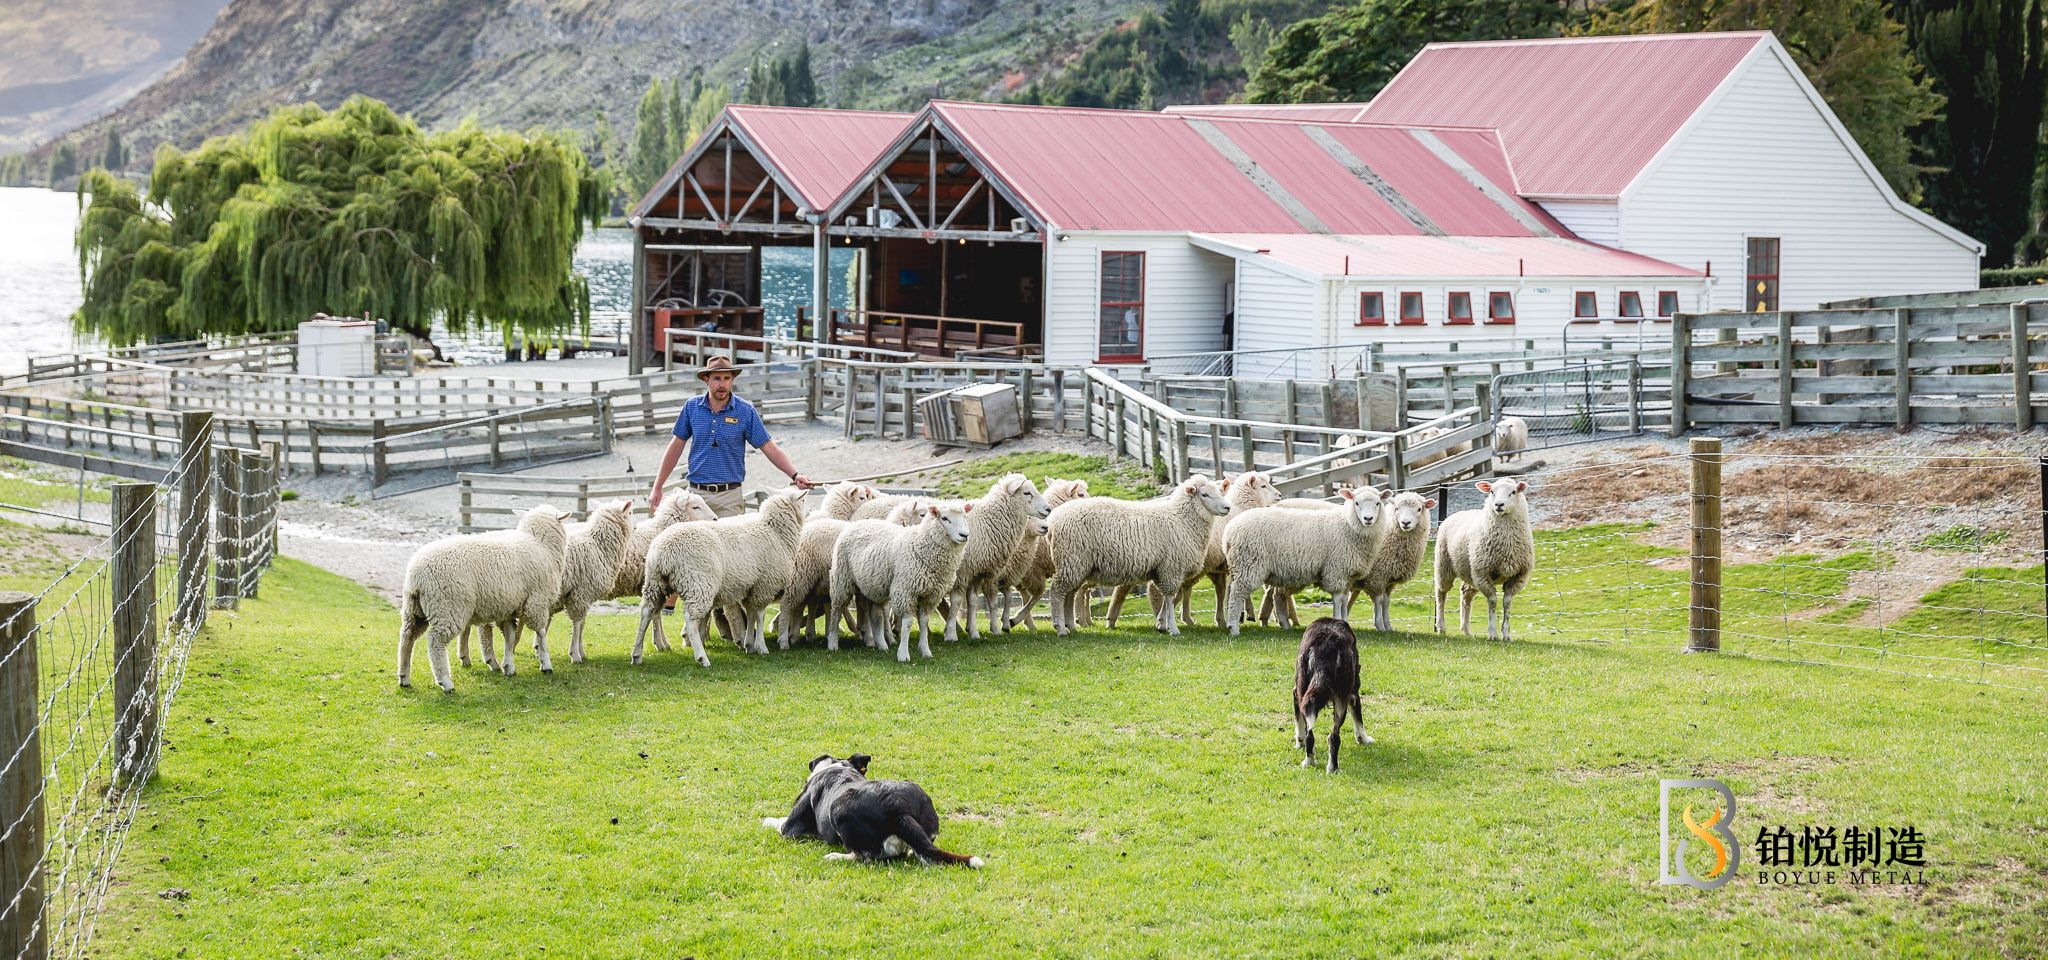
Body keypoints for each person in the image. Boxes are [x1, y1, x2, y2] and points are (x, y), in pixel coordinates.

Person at [649, 356, 813, 518]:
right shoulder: (692, 407)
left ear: (732, 379)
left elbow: (768, 446)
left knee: (731, 544)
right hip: (696, 496)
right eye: (717, 378)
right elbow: (675, 446)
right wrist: (658, 486)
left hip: (730, 497)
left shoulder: (745, 410)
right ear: (706, 380)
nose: (722, 384)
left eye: (727, 378)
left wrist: (795, 475)